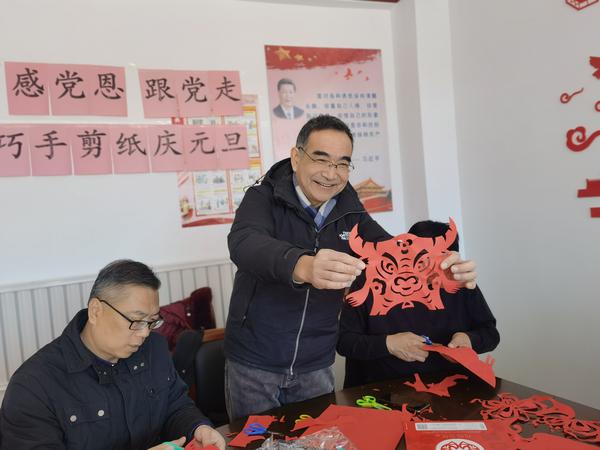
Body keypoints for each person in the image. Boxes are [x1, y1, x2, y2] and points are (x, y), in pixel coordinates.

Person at [223, 114, 478, 420]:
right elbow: (244, 242)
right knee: (254, 439)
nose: (331, 174)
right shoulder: (263, 196)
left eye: (342, 164)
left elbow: (387, 249)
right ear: (296, 157)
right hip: (256, 358)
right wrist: (303, 265)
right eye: (321, 159)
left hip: (316, 361)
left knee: (317, 437)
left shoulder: (348, 207)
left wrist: (437, 267)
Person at [0, 259, 225, 450]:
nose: (145, 333)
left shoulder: (153, 348)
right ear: (96, 311)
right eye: (136, 320)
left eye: (151, 321)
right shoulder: (33, 385)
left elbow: (176, 406)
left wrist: (198, 428)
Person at [337, 220, 500, 388]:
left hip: (451, 385)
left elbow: (490, 334)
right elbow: (343, 341)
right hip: (382, 388)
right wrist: (388, 344)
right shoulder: (370, 283)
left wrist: (469, 340)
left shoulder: (461, 282)